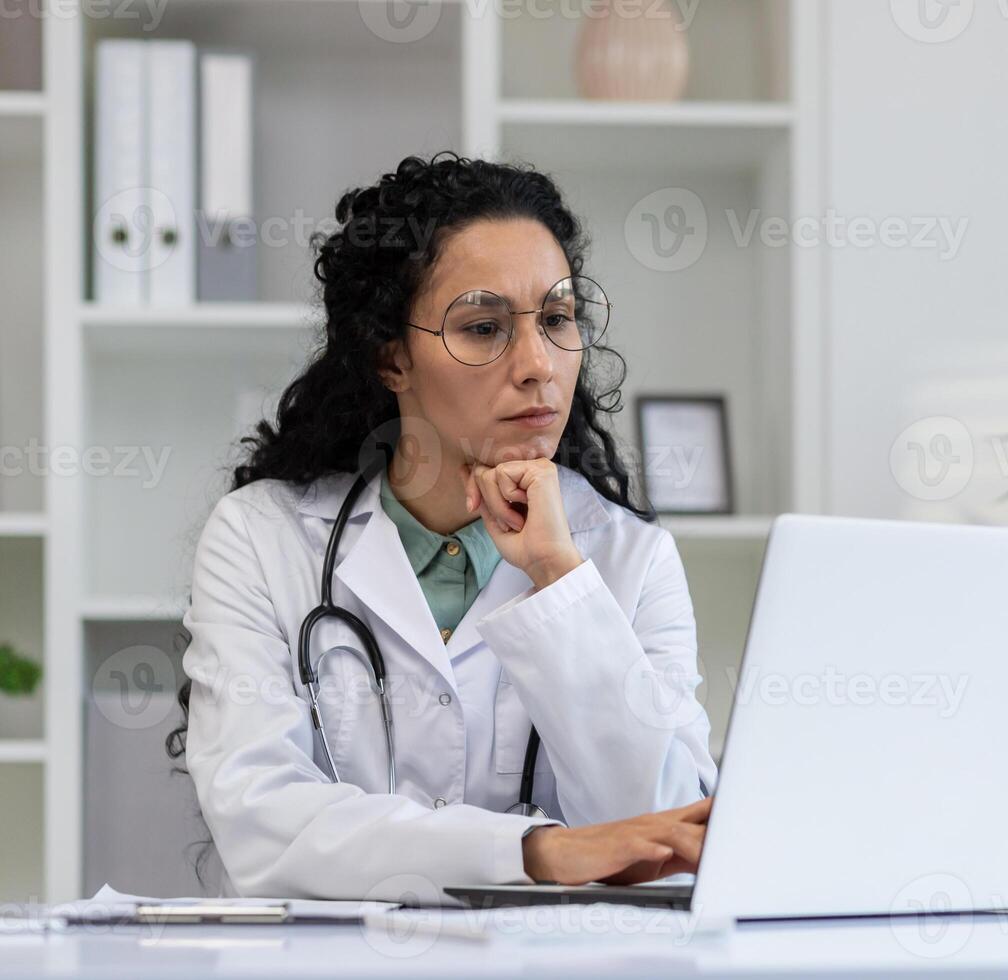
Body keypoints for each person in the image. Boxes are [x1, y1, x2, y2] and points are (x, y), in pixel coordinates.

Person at [166, 152, 717, 899]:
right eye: (485, 327)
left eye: (557, 319)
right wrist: (533, 853)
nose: (537, 364)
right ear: (391, 356)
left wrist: (561, 579)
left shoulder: (631, 560)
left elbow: (671, 835)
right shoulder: (261, 540)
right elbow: (262, 822)